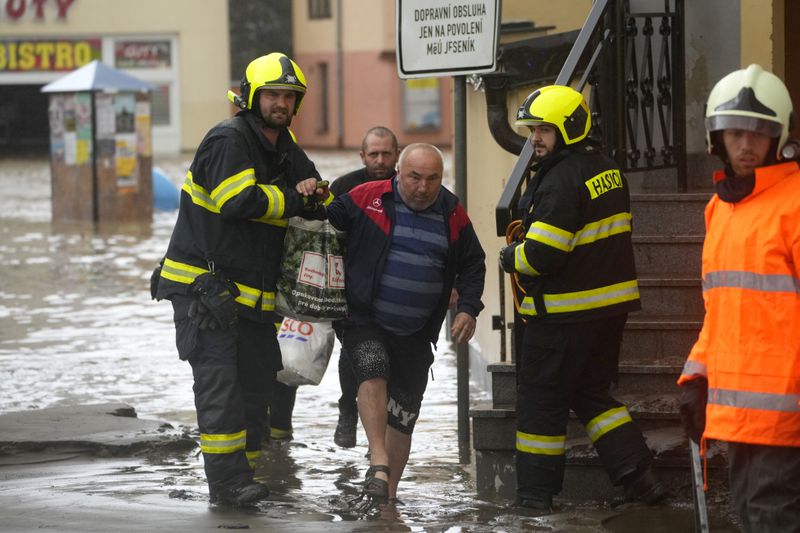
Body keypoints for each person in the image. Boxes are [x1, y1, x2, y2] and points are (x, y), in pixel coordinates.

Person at [152, 52, 328, 507]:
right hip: (203, 290)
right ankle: (226, 486)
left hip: (249, 300)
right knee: (221, 390)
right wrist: (294, 198)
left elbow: (314, 191)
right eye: (272, 94)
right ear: (251, 97)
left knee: (255, 389)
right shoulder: (229, 139)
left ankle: (243, 475)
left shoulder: (285, 145)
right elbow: (237, 200)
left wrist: (312, 193)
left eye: (289, 97)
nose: (281, 104)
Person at [498, 85, 666, 511]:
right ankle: (640, 478)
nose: (534, 138)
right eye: (532, 129)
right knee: (592, 395)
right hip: (609, 311)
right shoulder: (608, 169)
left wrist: (510, 256)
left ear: (569, 129)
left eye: (543, 130)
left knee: (540, 404)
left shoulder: (557, 180)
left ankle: (534, 499)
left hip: (563, 316)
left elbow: (541, 256)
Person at [326, 143, 486, 503]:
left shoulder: (451, 211)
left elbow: (474, 262)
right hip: (364, 316)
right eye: (414, 177)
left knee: (403, 415)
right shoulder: (366, 198)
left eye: (432, 179)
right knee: (372, 366)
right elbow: (320, 224)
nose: (423, 187)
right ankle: (377, 460)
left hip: (417, 332)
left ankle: (387, 498)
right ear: (399, 172)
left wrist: (468, 308)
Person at [677, 64, 800, 531]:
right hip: (739, 411)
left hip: (787, 412)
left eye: (759, 133)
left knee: (771, 518)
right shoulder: (721, 210)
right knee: (751, 516)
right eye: (735, 133)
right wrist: (696, 376)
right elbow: (721, 310)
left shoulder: (794, 204)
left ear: (778, 136)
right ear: (717, 138)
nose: (746, 145)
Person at [330, 126, 401, 448]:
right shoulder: (344, 188)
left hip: (395, 292)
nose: (380, 160)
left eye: (387, 153)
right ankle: (348, 410)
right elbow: (323, 235)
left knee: (393, 363)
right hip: (351, 291)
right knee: (356, 356)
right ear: (362, 156)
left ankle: (385, 433)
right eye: (373, 154)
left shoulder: (411, 185)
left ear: (397, 155)